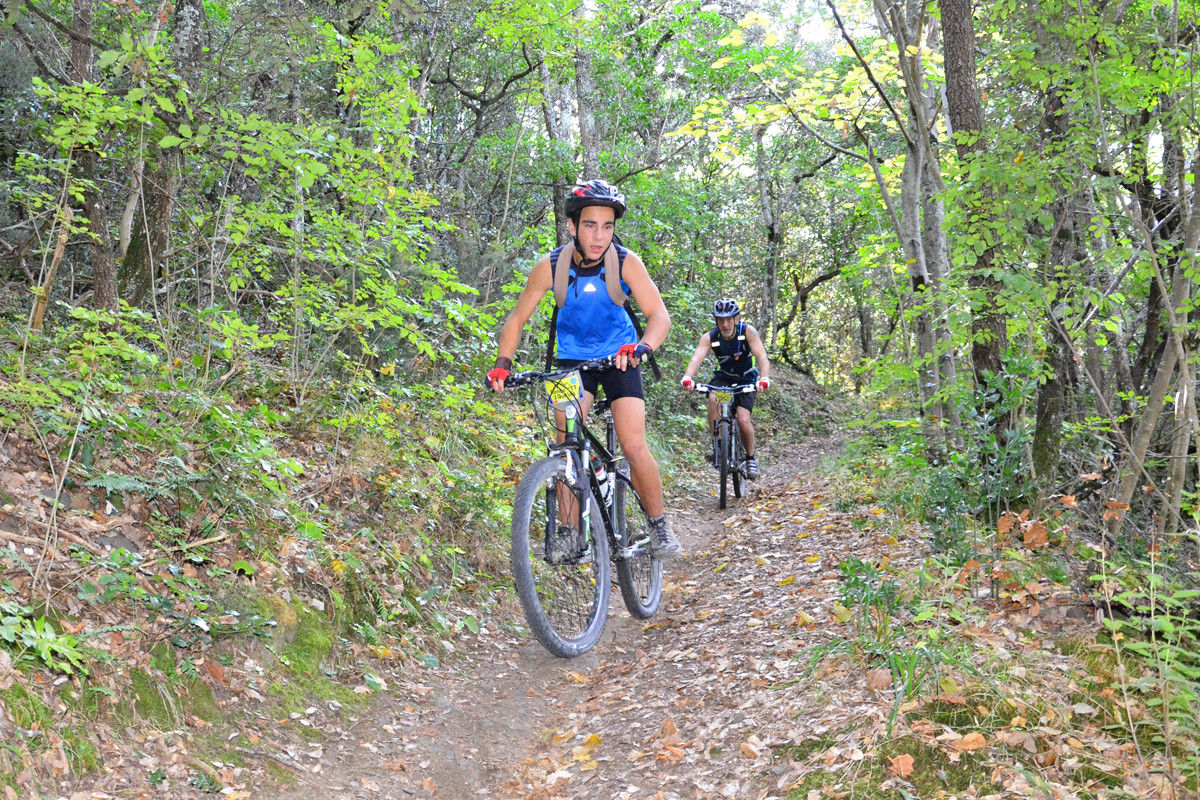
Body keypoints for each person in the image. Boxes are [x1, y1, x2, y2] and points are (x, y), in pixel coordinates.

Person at [486, 179, 682, 559]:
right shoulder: (552, 266)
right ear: (573, 226)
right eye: (590, 225)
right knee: (565, 444)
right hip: (571, 362)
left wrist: (642, 347)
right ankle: (568, 531)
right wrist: (502, 365)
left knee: (632, 442)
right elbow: (517, 318)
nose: (599, 235)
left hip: (619, 358)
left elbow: (659, 316)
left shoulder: (625, 262)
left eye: (607, 226)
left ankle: (659, 525)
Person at [680, 298, 771, 479]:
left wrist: (764, 378)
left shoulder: (748, 331)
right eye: (720, 320)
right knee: (714, 400)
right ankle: (718, 445)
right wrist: (688, 377)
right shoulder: (710, 337)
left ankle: (750, 458)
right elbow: (696, 358)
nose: (725, 324)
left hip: (746, 378)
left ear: (737, 319)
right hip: (724, 378)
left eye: (729, 319)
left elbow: (762, 357)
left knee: (744, 420)